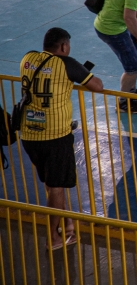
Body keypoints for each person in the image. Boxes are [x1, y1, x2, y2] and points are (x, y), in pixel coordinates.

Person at [18, 27, 104, 249]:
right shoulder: (67, 64)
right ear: (64, 46)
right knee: (56, 186)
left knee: (52, 184)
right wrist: (79, 71)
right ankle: (53, 238)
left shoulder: (28, 58)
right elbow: (97, 86)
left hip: (29, 134)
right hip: (55, 136)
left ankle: (67, 226)